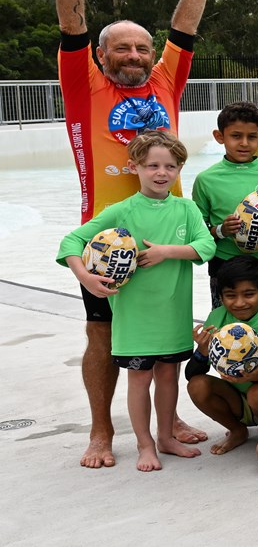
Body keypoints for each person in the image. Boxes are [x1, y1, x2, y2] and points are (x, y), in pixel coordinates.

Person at [40, 0, 226, 468]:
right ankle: (102, 432)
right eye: (121, 49)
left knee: (167, 341)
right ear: (102, 57)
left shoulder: (165, 81)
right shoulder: (83, 84)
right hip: (108, 246)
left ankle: (166, 423)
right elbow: (71, 24)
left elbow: (184, 29)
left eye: (142, 48)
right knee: (103, 339)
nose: (134, 56)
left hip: (168, 236)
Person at [59, 130, 216, 472]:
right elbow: (71, 242)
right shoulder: (120, 211)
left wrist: (166, 252)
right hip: (133, 317)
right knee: (139, 380)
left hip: (173, 314)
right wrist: (86, 277)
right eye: (152, 166)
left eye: (171, 167)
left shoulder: (186, 209)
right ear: (134, 167)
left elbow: (207, 247)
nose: (162, 173)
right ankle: (145, 444)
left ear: (179, 170)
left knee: (168, 378)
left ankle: (166, 437)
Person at [185, 257, 258, 455]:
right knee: (197, 386)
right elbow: (191, 374)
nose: (239, 303)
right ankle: (237, 430)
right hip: (236, 400)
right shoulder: (217, 319)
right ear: (221, 297)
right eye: (230, 295)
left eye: (249, 294)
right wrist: (202, 351)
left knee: (257, 393)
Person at [191, 102, 258, 309]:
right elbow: (197, 230)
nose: (244, 143)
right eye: (236, 136)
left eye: (252, 137)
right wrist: (221, 230)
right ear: (219, 137)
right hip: (223, 264)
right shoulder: (206, 180)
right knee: (226, 325)